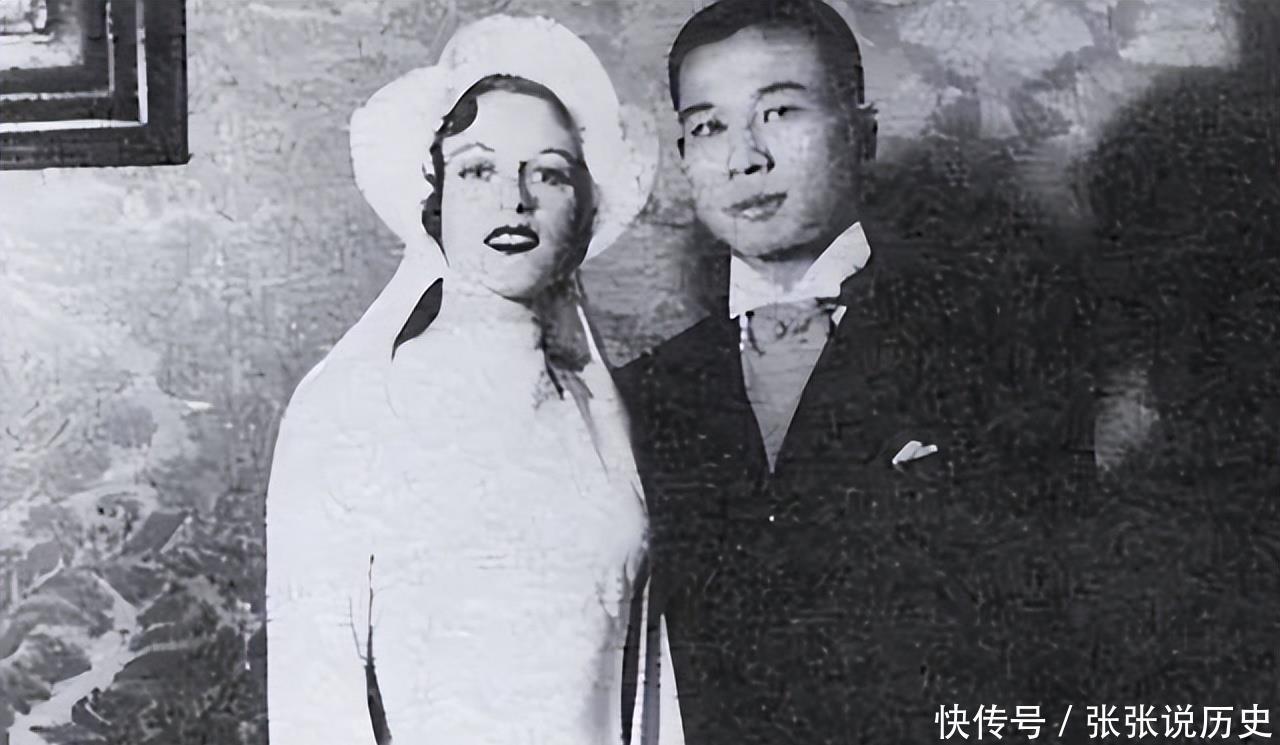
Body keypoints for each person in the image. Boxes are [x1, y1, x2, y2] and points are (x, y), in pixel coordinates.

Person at [616, 1, 1099, 743]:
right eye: (708, 126)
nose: (745, 157)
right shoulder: (640, 394)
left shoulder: (995, 351)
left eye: (780, 112)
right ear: (683, 155)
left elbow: (1055, 636)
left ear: (861, 134)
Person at [264, 15, 679, 745]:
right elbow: (315, 699)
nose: (514, 199)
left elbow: (648, 686)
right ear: (436, 198)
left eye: (549, 172)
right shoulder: (352, 405)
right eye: (478, 170)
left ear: (582, 208)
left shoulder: (601, 413)